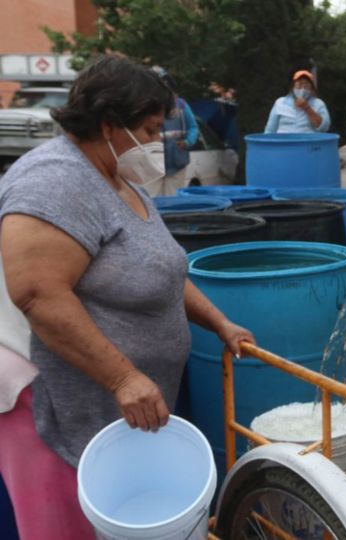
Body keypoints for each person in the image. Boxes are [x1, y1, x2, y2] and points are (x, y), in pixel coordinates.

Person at [0, 56, 256, 539]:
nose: (158, 142)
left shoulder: (113, 176)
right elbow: (39, 294)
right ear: (108, 125)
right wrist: (122, 378)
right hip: (56, 404)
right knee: (67, 525)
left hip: (116, 403)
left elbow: (160, 269)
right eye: (150, 128)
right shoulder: (56, 182)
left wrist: (218, 322)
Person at [148, 66, 199, 197]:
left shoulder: (181, 105)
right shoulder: (143, 106)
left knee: (172, 201)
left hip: (177, 162)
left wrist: (188, 141)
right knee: (152, 202)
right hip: (151, 163)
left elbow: (193, 127)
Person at [264, 70, 330, 134]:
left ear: (311, 88)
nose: (303, 89)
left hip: (308, 143)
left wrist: (307, 107)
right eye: (299, 84)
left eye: (306, 85)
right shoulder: (280, 102)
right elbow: (270, 129)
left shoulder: (318, 104)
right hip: (283, 143)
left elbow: (324, 127)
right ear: (293, 87)